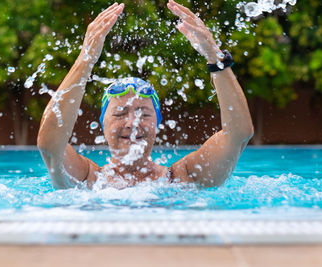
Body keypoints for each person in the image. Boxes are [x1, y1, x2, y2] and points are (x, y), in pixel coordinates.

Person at [37, 0, 254, 189]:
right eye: (121, 113)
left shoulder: (181, 177)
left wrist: (215, 58)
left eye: (144, 114)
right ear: (102, 122)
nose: (132, 122)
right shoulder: (87, 178)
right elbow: (49, 145)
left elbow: (238, 134)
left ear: (158, 122)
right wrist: (85, 60)